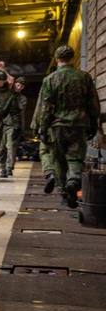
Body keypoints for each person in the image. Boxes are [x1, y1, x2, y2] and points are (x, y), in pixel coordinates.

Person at [35, 45, 102, 208]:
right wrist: (94, 124)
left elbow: (45, 107)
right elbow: (93, 104)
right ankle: (74, 181)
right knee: (76, 158)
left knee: (58, 161)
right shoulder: (84, 77)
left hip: (57, 127)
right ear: (73, 59)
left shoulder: (49, 80)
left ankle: (64, 193)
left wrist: (42, 128)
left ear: (57, 59)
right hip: (79, 125)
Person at [0, 77, 27, 177]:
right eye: (18, 85)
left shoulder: (22, 99)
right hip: (2, 124)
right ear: (14, 84)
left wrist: (19, 129)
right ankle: (2, 168)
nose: (19, 88)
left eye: (21, 86)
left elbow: (19, 111)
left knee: (10, 147)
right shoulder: (5, 94)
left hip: (12, 125)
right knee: (1, 148)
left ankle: (9, 168)